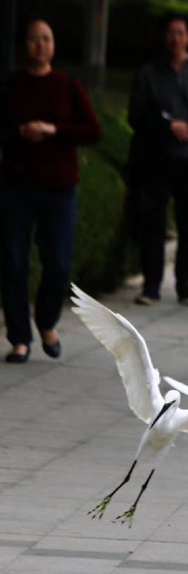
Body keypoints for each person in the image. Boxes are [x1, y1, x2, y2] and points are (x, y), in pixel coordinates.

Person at [0, 19, 101, 363]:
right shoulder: (11, 86)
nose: (40, 45)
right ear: (24, 45)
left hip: (59, 188)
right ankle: (19, 338)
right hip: (16, 186)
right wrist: (21, 132)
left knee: (57, 264)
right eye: (33, 39)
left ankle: (46, 321)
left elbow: (92, 130)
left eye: (46, 39)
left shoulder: (67, 85)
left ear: (54, 46)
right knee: (13, 261)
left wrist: (54, 129)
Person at [127, 15, 188, 306]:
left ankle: (184, 282)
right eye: (171, 33)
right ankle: (152, 283)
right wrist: (167, 126)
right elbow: (136, 116)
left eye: (181, 33)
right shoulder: (148, 74)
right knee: (153, 223)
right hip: (157, 159)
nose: (175, 39)